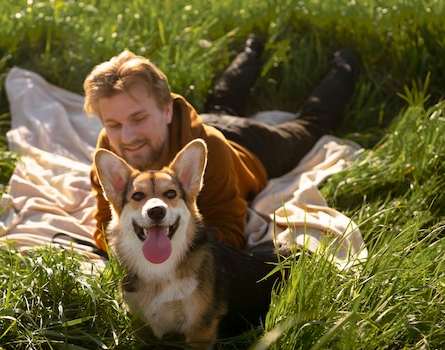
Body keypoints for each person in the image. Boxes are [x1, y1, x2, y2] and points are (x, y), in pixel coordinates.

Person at [83, 35, 359, 253]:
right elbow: (106, 224)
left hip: (249, 148)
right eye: (114, 124)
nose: (127, 137)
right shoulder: (109, 156)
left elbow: (230, 229)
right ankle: (252, 49)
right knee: (221, 105)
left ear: (167, 110)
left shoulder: (210, 149)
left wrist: (174, 248)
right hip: (207, 122)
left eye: (139, 118)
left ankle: (345, 63)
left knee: (309, 127)